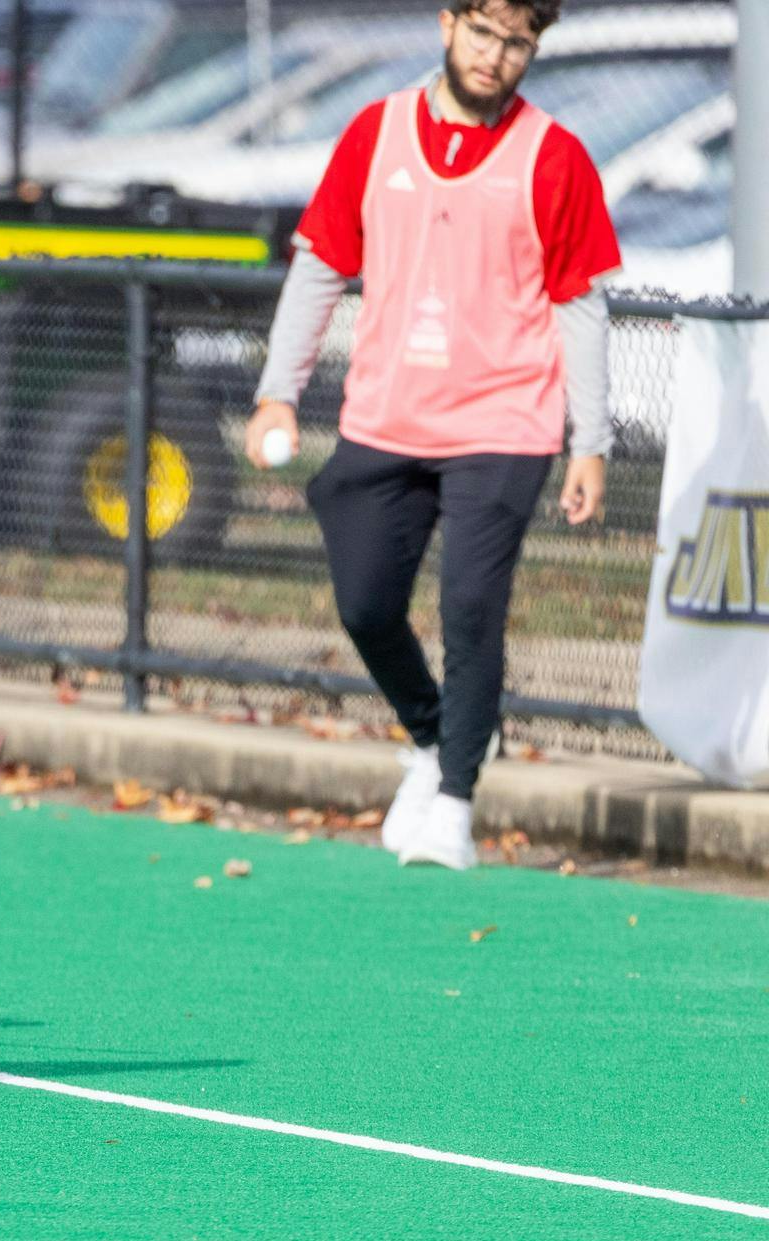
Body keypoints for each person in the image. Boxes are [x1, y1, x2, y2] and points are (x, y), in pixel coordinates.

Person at [245, 0, 617, 871]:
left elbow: (581, 303)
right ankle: (434, 736)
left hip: (505, 421)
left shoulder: (554, 155)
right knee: (366, 603)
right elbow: (320, 267)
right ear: (447, 25)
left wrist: (588, 440)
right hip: (386, 416)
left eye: (517, 42)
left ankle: (454, 802)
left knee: (472, 607)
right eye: (483, 33)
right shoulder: (376, 134)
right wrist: (276, 394)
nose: (495, 56)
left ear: (534, 48)